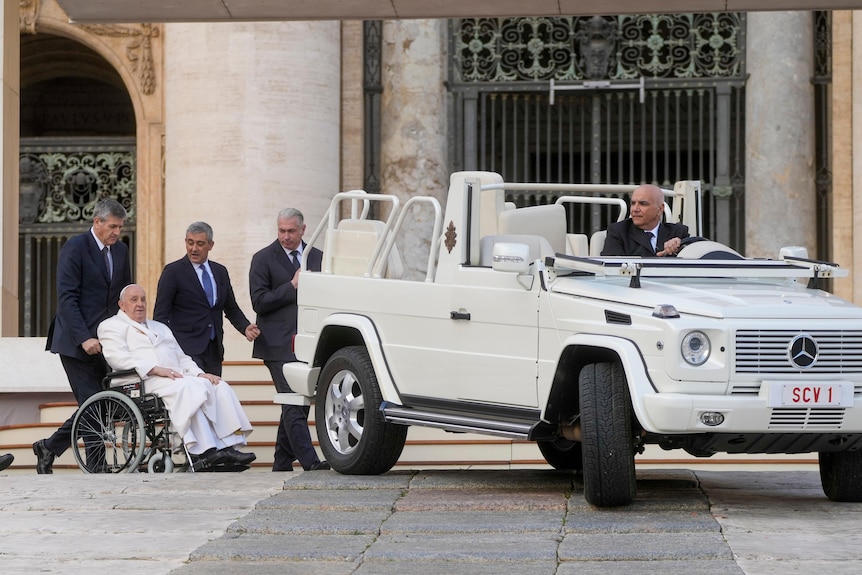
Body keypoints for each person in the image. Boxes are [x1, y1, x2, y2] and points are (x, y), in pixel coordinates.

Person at [98, 284, 256, 469]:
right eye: (134, 300)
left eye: (143, 299)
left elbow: (182, 358)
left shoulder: (160, 327)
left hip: (173, 377)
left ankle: (229, 445)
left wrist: (200, 373)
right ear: (122, 304)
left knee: (218, 386)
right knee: (188, 389)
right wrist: (154, 369)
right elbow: (117, 358)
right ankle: (205, 450)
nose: (140, 304)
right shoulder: (111, 326)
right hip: (140, 381)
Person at [33, 199, 132, 474]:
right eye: (112, 226)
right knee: (93, 402)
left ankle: (49, 447)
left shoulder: (121, 250)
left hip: (106, 341)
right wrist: (84, 337)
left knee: (102, 402)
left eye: (120, 227)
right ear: (97, 222)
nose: (117, 232)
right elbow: (67, 299)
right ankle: (97, 466)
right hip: (74, 341)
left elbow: (122, 297)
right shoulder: (75, 248)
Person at [249, 208, 329, 472]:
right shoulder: (262, 259)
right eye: (281, 231)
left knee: (296, 404)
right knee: (293, 404)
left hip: (310, 345)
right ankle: (311, 463)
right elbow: (259, 302)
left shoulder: (318, 257)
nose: (285, 236)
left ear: (303, 229)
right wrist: (291, 286)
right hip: (277, 346)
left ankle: (281, 464)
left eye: (291, 231)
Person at [154, 221, 260, 376]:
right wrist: (166, 349)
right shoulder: (173, 272)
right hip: (185, 351)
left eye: (200, 244)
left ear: (211, 245)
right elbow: (161, 315)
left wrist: (245, 327)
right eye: (190, 243)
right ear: (185, 242)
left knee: (214, 394)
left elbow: (230, 307)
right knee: (195, 396)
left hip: (213, 349)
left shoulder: (220, 272)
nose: (194, 248)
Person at [601, 183, 689, 257]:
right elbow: (610, 268)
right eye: (633, 203)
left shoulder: (678, 232)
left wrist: (680, 244)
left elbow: (698, 248)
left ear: (660, 209)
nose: (635, 209)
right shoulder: (618, 231)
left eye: (643, 204)